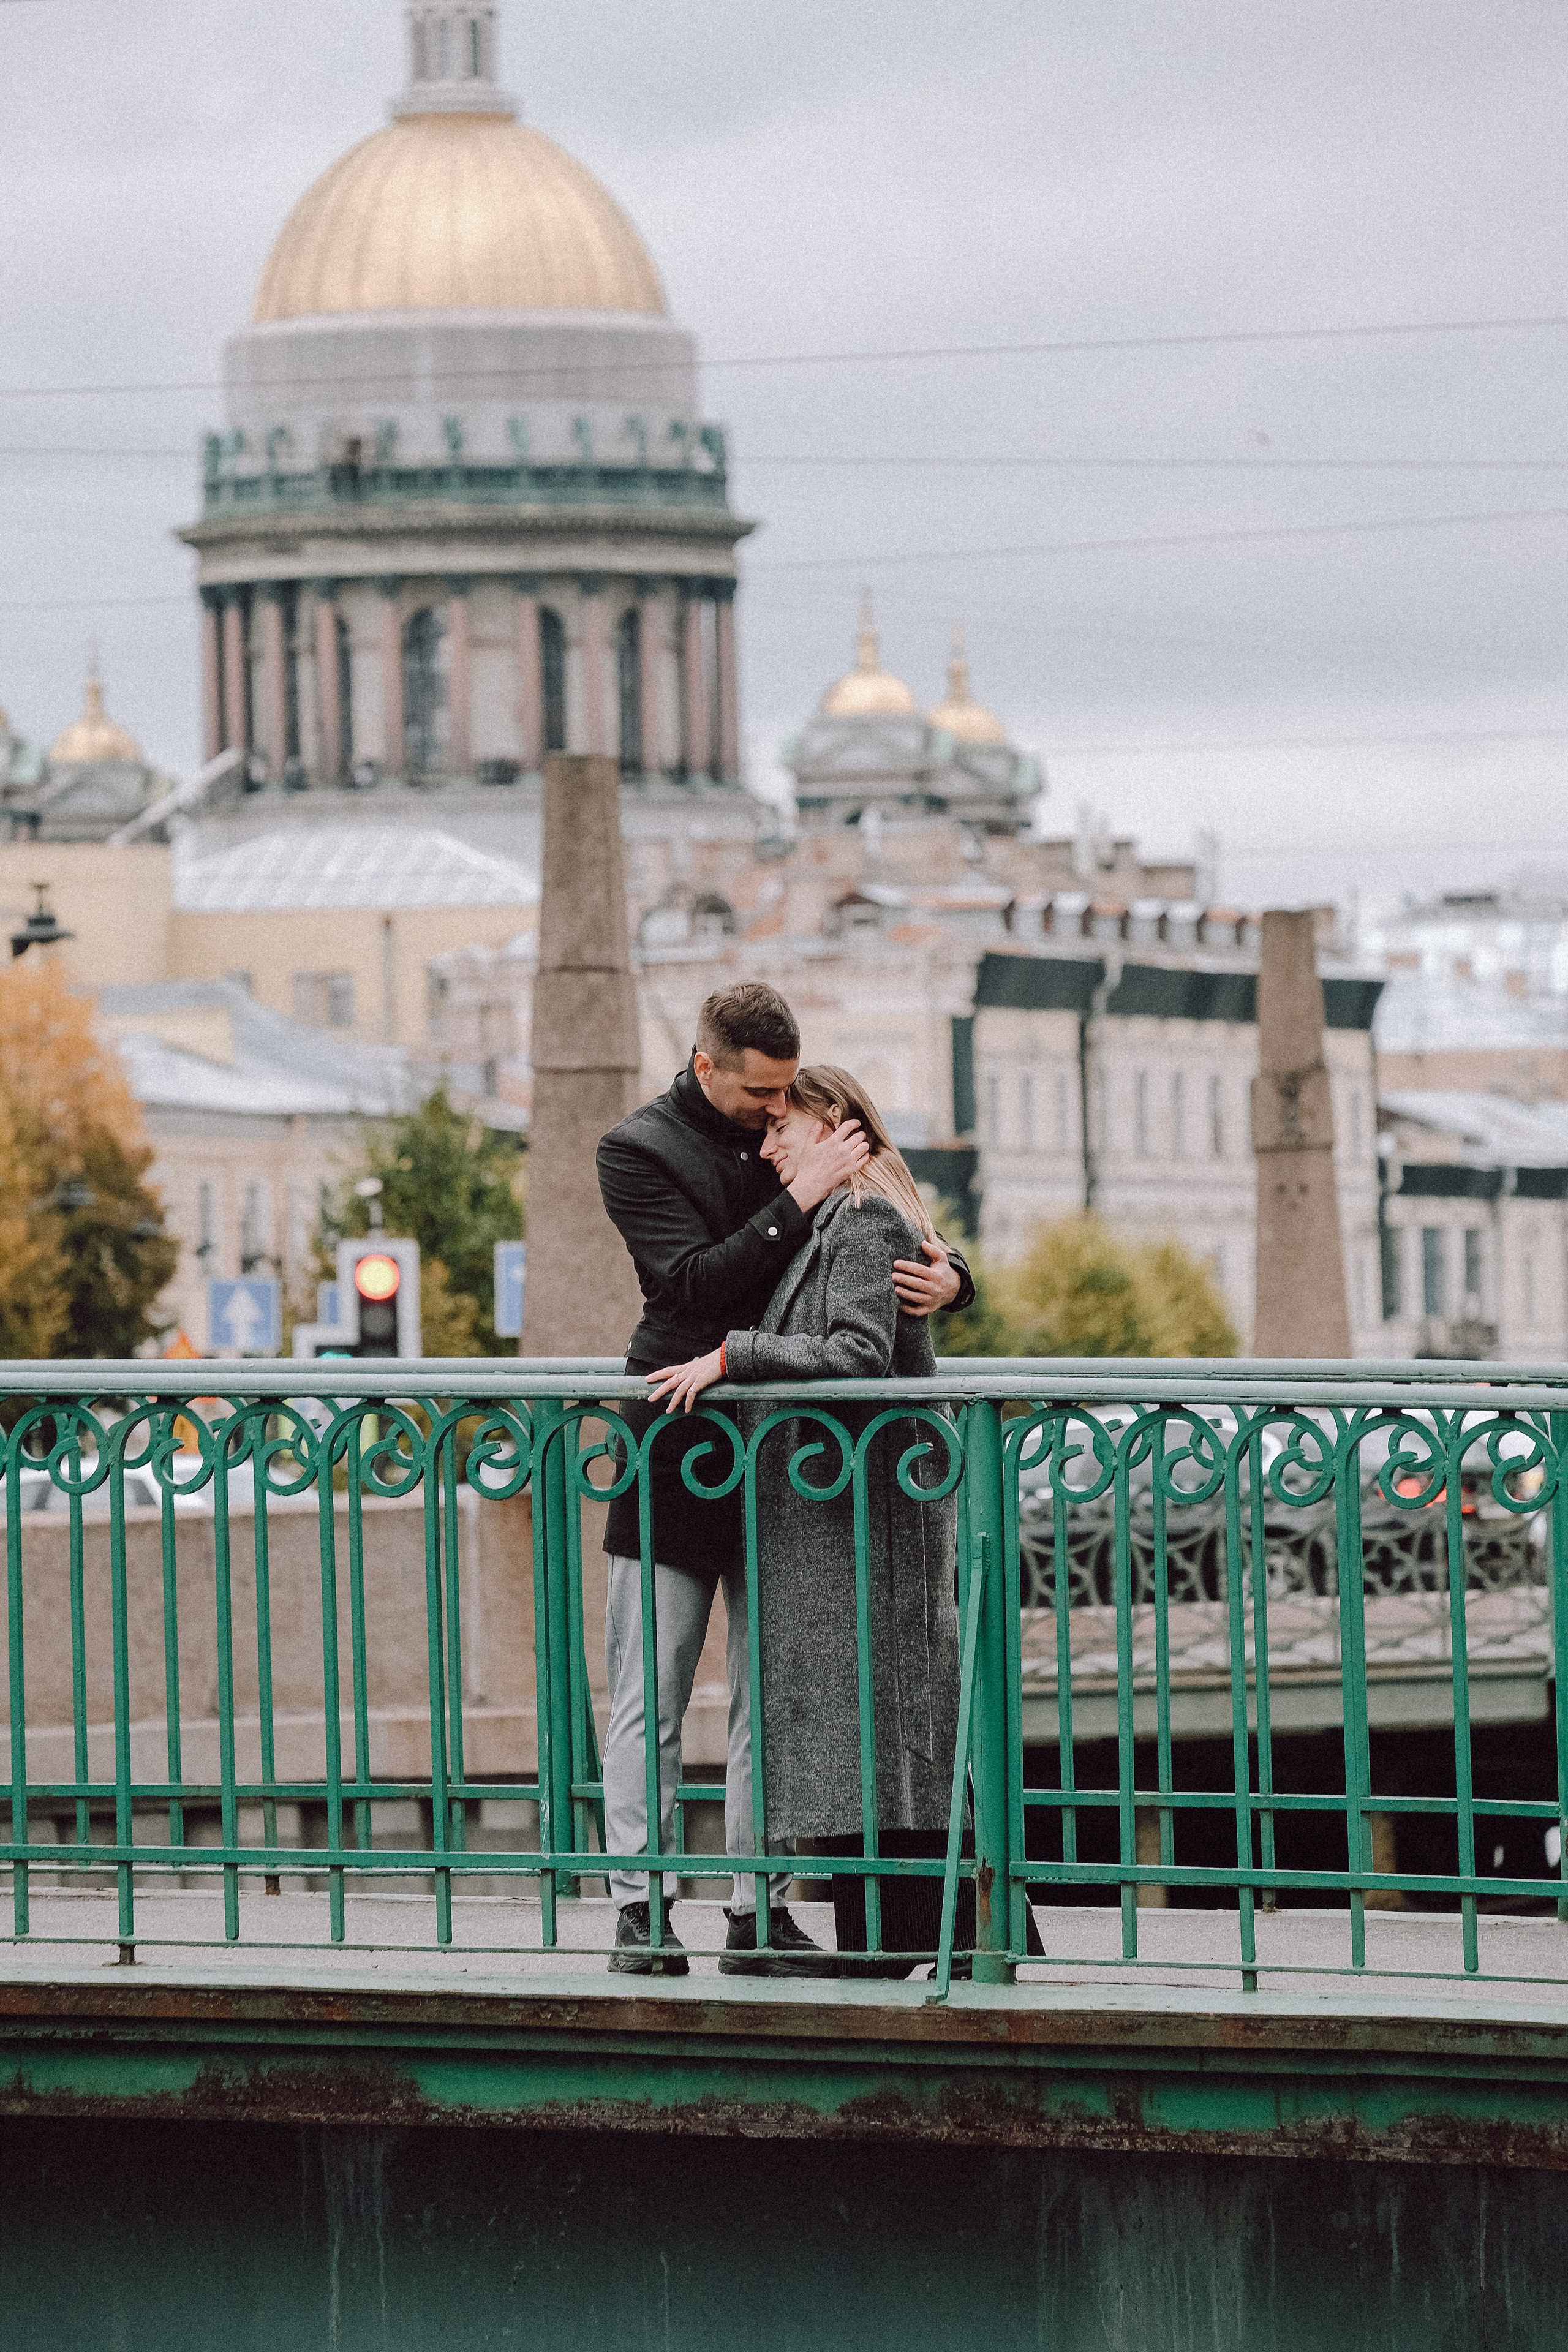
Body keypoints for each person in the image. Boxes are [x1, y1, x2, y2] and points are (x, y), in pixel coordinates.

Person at [596, 985, 973, 1975]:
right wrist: (801, 1195)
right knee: (653, 1691)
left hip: (787, 1463)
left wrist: (955, 1276)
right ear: (706, 1065)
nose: (773, 1116)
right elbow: (691, 1284)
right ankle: (640, 1908)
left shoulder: (804, 1140)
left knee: (772, 1698)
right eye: (759, 1096)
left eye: (784, 1100)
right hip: (678, 1437)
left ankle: (756, 1910)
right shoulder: (638, 1149)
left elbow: (873, 1224)